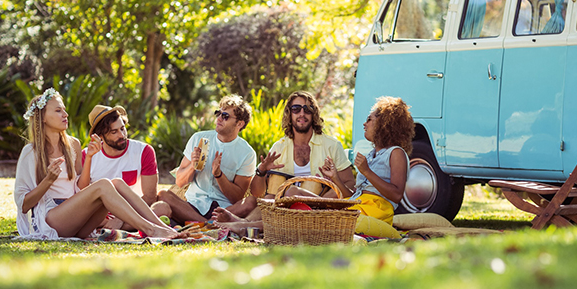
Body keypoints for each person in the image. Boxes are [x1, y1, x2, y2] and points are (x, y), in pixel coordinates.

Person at [13, 89, 179, 239]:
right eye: (58, 110)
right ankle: (150, 230)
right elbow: (24, 204)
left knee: (116, 183)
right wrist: (48, 180)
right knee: (104, 184)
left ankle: (161, 227)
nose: (65, 114)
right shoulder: (31, 152)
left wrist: (90, 158)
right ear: (42, 118)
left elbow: (80, 187)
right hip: (52, 220)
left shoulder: (74, 145)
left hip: (78, 220)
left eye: (64, 109)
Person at [211, 90, 355, 231]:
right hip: (283, 211)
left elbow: (351, 187)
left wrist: (333, 182)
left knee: (291, 192)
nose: (302, 114)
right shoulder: (279, 147)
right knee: (269, 199)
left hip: (317, 211)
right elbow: (256, 193)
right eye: (296, 109)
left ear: (314, 114)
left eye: (307, 109)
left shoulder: (331, 145)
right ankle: (245, 223)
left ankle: (243, 225)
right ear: (289, 114)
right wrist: (262, 170)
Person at [157, 94, 257, 224]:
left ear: (239, 123)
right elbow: (180, 182)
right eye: (218, 113)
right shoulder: (198, 138)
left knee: (250, 202)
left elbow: (237, 197)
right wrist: (192, 165)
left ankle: (201, 223)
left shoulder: (247, 153)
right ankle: (208, 224)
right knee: (163, 195)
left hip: (224, 209)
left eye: (225, 116)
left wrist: (219, 175)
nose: (219, 118)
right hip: (193, 205)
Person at [316, 96, 415, 225]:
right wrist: (335, 177)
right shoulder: (370, 155)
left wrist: (367, 171)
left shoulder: (396, 153)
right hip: (359, 205)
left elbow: (396, 195)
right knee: (318, 211)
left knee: (329, 219)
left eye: (369, 120)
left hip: (377, 211)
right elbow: (353, 196)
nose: (364, 124)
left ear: (385, 124)